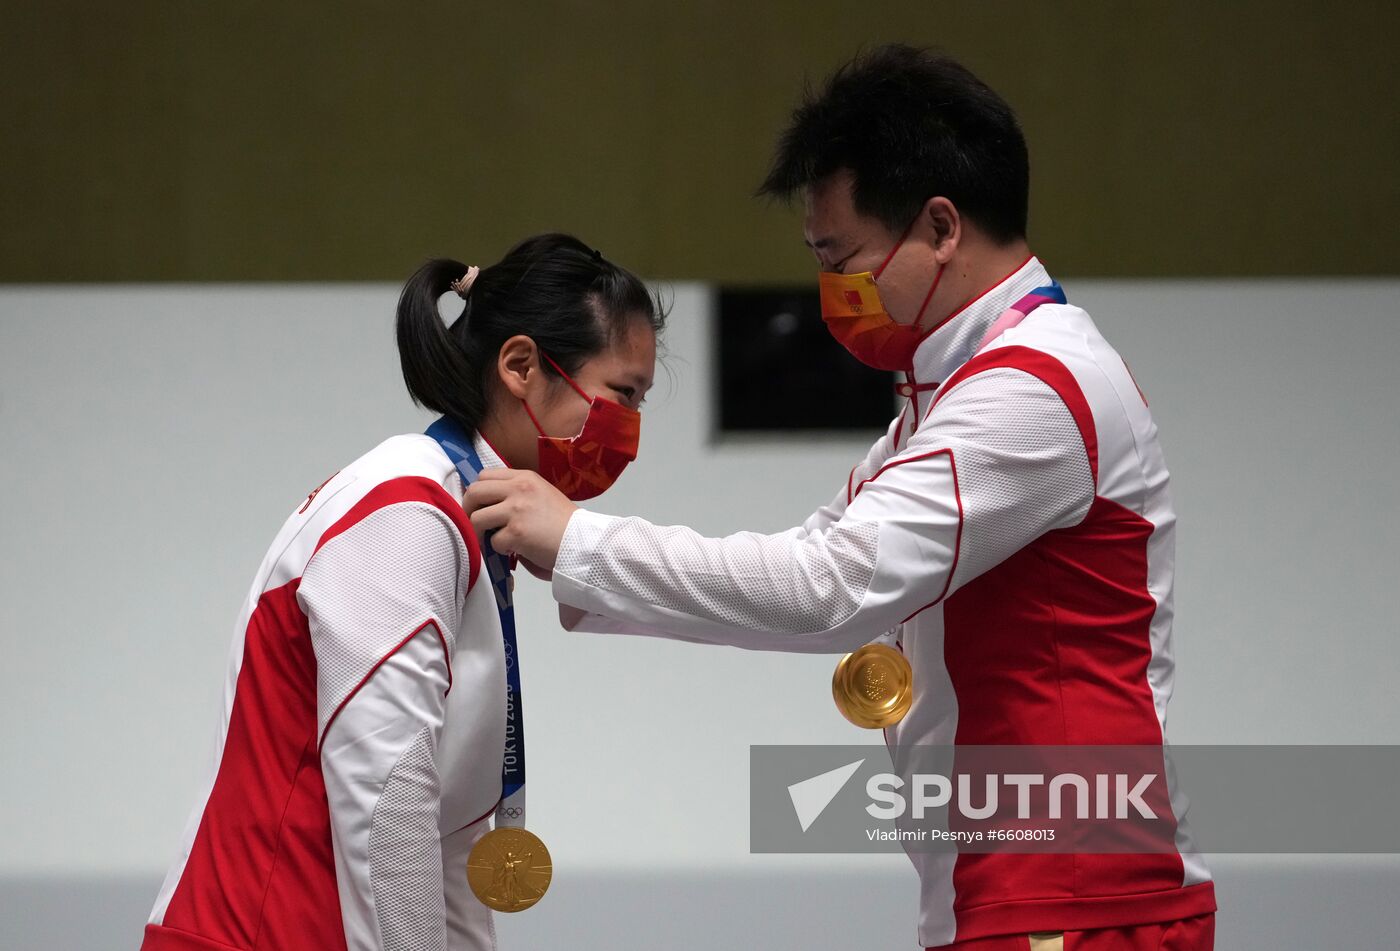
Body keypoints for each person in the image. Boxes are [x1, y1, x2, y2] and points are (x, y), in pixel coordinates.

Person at [462, 47, 1216, 950]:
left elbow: (830, 587)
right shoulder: (944, 400)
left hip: (1077, 894)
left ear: (941, 226)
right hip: (1016, 888)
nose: (833, 292)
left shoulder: (1037, 391)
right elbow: (806, 563)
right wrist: (572, 555)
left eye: (843, 258)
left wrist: (580, 540)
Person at [141, 233, 662, 951]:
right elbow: (387, 807)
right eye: (622, 394)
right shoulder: (404, 511)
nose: (631, 429)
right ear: (519, 366)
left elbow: (441, 841)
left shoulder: (468, 518)